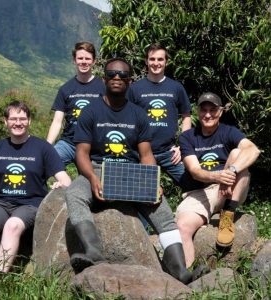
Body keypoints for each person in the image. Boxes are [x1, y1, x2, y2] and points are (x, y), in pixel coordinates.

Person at [65, 58, 206, 284]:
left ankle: (180, 271)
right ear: (104, 79)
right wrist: (91, 177)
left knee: (162, 212)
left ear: (130, 81)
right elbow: (81, 153)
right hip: (99, 168)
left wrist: (153, 181)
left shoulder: (139, 115)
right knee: (74, 193)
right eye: (112, 74)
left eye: (122, 75)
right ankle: (94, 253)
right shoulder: (91, 111)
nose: (117, 78)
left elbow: (146, 155)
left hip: (132, 172)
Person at [0, 101, 71, 273]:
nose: (18, 123)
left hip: (30, 204)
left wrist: (59, 184)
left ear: (29, 121)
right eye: (13, 119)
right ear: (6, 121)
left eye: (22, 118)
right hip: (1, 203)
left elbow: (66, 180)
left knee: (12, 226)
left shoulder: (43, 148)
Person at [176, 92, 260, 267]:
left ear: (220, 112)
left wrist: (230, 171)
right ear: (197, 112)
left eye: (213, 110)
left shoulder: (229, 131)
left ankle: (227, 215)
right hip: (199, 191)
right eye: (203, 110)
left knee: (238, 154)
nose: (208, 115)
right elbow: (194, 171)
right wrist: (217, 176)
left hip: (228, 189)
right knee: (182, 227)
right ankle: (187, 275)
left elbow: (254, 150)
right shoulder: (187, 137)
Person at [127, 43, 191, 189]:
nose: (156, 63)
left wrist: (183, 146)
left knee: (193, 184)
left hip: (169, 152)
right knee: (141, 192)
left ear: (166, 62)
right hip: (141, 153)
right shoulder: (134, 89)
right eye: (152, 59)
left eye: (160, 59)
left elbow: (186, 116)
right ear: (146, 61)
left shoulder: (176, 87)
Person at [47, 41, 106, 165]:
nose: (83, 62)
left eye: (87, 58)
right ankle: (63, 183)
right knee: (46, 163)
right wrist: (47, 147)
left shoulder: (103, 88)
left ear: (94, 61)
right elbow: (57, 122)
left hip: (93, 146)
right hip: (68, 144)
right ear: (74, 60)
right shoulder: (65, 89)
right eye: (80, 58)